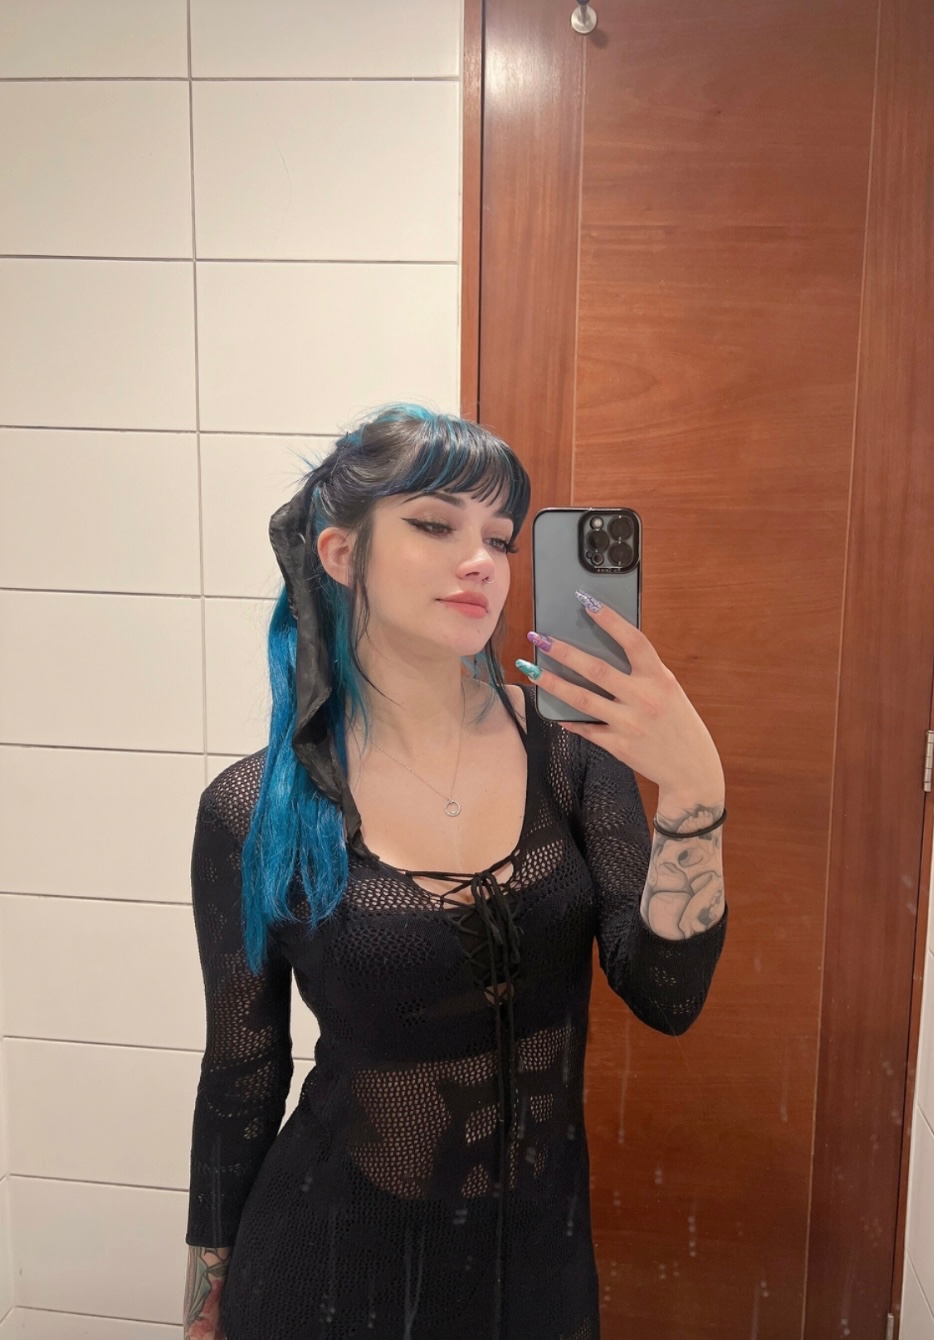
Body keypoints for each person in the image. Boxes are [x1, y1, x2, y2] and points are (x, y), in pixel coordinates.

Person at [182, 405, 728, 1340]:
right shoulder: (255, 808)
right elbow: (243, 1068)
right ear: (342, 554)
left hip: (535, 1274)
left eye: (500, 538)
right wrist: (203, 1301)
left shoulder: (569, 759)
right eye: (435, 525)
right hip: (324, 1272)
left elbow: (665, 996)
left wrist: (694, 796)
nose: (480, 560)